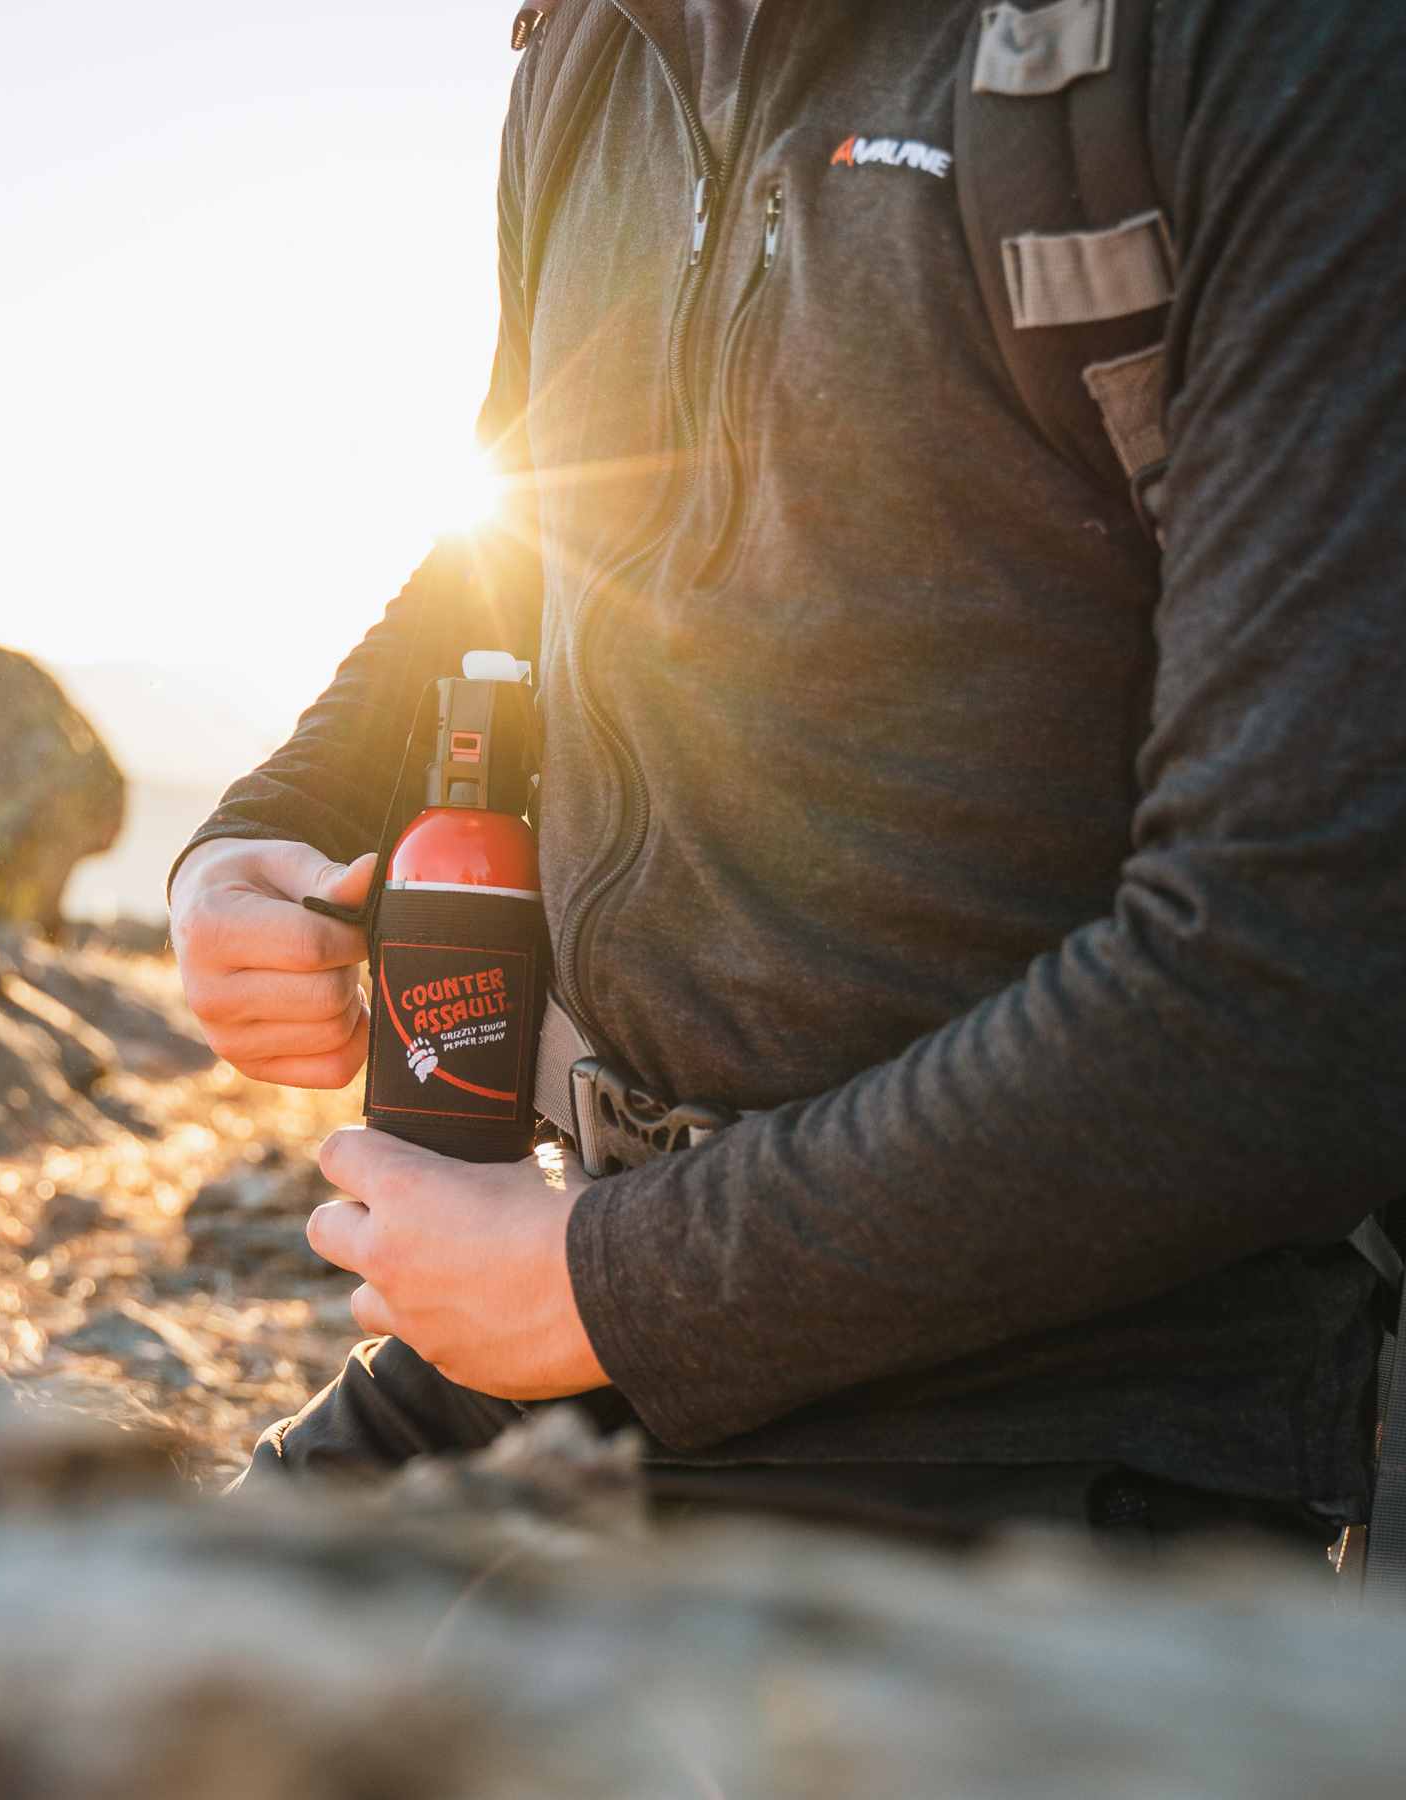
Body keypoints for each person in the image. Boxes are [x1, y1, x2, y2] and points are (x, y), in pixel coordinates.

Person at [167, 0, 1406, 1544]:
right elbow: (531, 532)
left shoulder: (1255, 50)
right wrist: (262, 830)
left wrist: (623, 1286)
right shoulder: (598, 44)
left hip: (1051, 1425)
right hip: (550, 1333)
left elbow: (1302, 970)